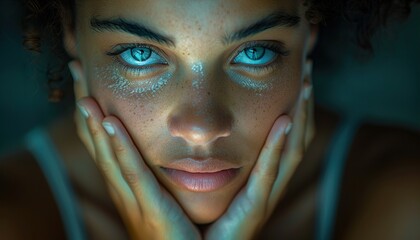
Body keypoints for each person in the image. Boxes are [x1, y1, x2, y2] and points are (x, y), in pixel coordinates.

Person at [1, 0, 420, 239]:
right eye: (141, 53)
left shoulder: (404, 201)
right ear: (71, 30)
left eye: (254, 52)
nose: (202, 127)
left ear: (309, 31)